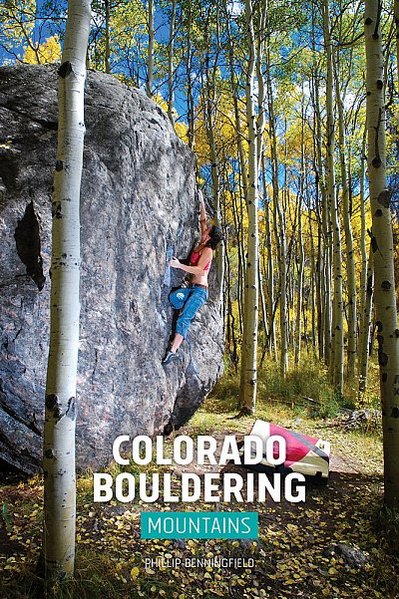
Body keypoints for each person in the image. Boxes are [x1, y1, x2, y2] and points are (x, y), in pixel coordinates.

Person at [162, 191, 223, 365]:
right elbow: (203, 220)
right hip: (190, 288)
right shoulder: (202, 241)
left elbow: (199, 270)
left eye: (208, 231)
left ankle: (173, 351)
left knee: (183, 318)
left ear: (210, 237)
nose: (204, 230)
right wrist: (202, 200)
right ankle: (183, 326)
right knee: (174, 300)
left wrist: (179, 265)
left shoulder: (208, 251)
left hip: (199, 292)